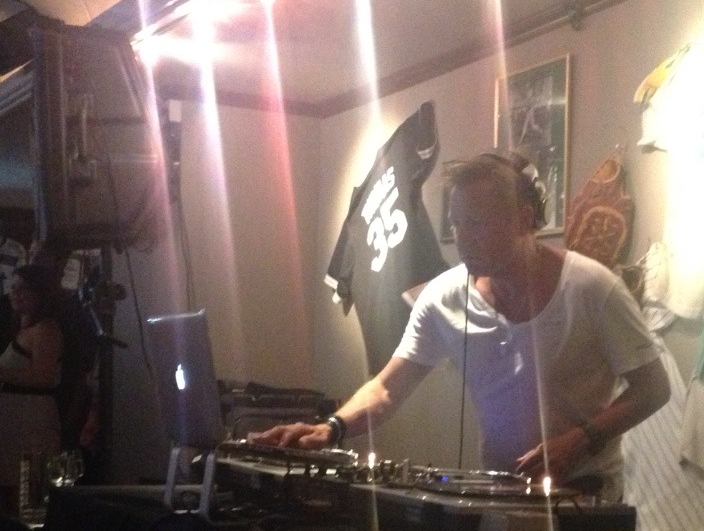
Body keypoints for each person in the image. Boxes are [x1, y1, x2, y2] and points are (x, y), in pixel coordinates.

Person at [256, 150, 670, 499]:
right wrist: (330, 429)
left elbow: (653, 388)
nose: (462, 237)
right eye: (456, 224)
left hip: (586, 496)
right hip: (499, 492)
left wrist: (580, 440)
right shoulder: (443, 297)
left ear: (524, 218)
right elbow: (387, 388)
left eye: (476, 223)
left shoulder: (593, 288)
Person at [0, 264, 64, 514]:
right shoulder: (22, 329)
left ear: (39, 293)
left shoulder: (46, 330)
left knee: (28, 492)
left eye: (23, 288)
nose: (15, 294)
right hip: (17, 422)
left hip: (32, 422)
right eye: (13, 287)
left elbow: (44, 377)